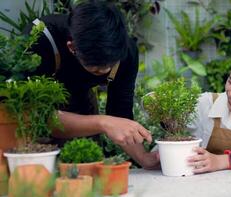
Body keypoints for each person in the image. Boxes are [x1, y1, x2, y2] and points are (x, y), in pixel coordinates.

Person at [23, 1, 154, 160]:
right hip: (37, 108)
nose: (104, 72)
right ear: (72, 47)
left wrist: (145, 158)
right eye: (97, 70)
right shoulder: (40, 38)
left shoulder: (125, 50)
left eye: (111, 65)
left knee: (87, 162)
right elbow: (36, 116)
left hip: (82, 97)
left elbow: (120, 113)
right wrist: (102, 123)